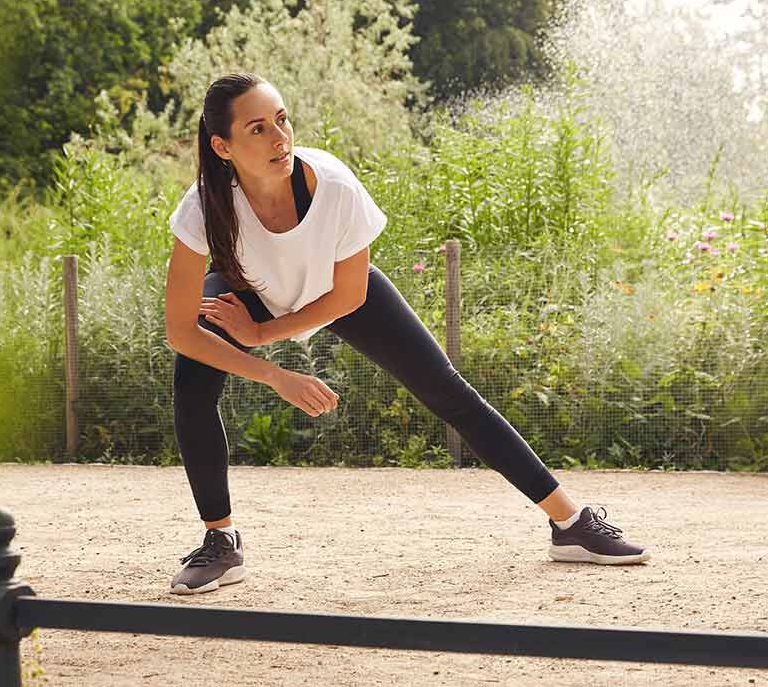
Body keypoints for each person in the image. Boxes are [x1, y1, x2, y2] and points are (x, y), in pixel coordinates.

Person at [165, 72, 649, 594]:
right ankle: (221, 542)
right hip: (248, 289)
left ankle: (570, 524)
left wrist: (262, 335)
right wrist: (273, 374)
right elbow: (180, 332)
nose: (279, 137)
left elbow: (347, 297)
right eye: (257, 129)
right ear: (223, 146)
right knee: (192, 385)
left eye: (282, 119)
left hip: (332, 286)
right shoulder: (203, 207)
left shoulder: (334, 186)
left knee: (448, 391)